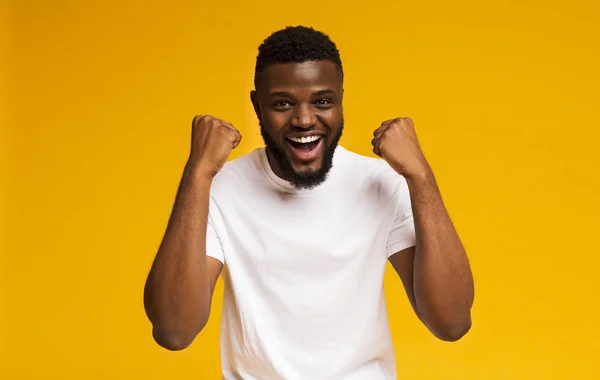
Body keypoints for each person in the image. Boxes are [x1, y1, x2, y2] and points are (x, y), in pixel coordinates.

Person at [143, 25, 475, 379]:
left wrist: (421, 177)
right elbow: (174, 331)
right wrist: (197, 173)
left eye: (322, 101)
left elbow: (451, 322)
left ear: (341, 100)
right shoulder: (217, 190)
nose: (303, 120)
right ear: (257, 106)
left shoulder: (380, 183)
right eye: (282, 103)